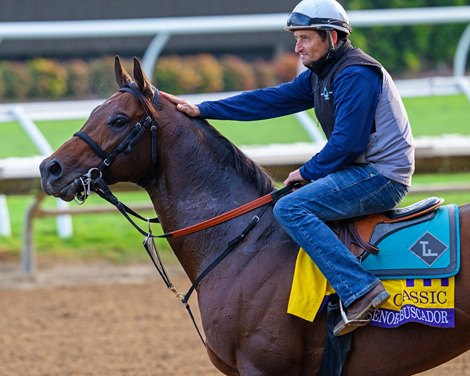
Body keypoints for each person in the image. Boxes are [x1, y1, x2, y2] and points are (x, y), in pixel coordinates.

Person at [162, 0, 414, 336]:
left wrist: (308, 172)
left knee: (291, 207)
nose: (297, 47)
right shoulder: (321, 75)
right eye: (297, 38)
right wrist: (202, 109)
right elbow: (268, 100)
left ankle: (360, 289)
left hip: (381, 177)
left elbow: (349, 143)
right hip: (360, 172)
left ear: (333, 38)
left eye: (305, 38)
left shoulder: (356, 73)